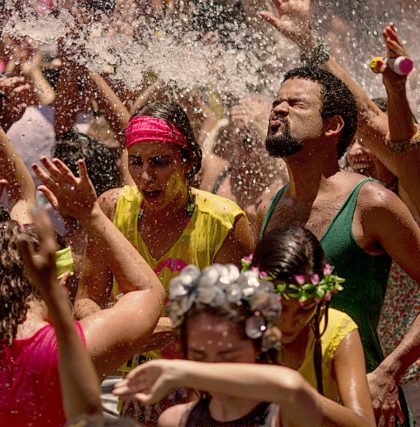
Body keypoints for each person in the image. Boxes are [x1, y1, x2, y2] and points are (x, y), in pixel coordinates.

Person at [255, 64, 420, 426]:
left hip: (362, 405)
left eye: (296, 104)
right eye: (277, 102)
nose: (279, 109)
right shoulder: (268, 208)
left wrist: (391, 372)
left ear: (332, 126)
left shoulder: (371, 203)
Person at [0, 156, 165, 426]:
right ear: (62, 281)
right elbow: (147, 292)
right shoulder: (60, 351)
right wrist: (91, 214)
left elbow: (21, 194)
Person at [115, 263, 323, 427]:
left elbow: (292, 386)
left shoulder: (286, 416)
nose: (211, 368)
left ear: (259, 347)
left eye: (228, 356)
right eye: (199, 356)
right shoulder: (175, 421)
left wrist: (182, 372)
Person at [250, 226, 375, 425]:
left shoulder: (337, 331)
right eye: (279, 307)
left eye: (305, 309)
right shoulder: (236, 329)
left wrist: (297, 393)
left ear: (321, 298)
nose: (289, 321)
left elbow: (364, 423)